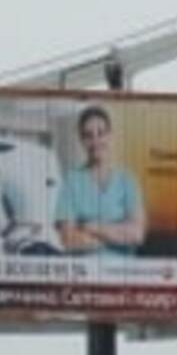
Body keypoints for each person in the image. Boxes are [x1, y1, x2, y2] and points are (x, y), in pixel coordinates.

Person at [54, 106, 145, 256]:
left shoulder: (127, 181)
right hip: (84, 269)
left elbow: (136, 234)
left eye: (101, 133)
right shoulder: (72, 182)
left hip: (122, 269)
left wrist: (90, 227)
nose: (95, 141)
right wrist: (118, 233)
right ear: (81, 140)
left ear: (110, 136)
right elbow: (68, 239)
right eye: (88, 135)